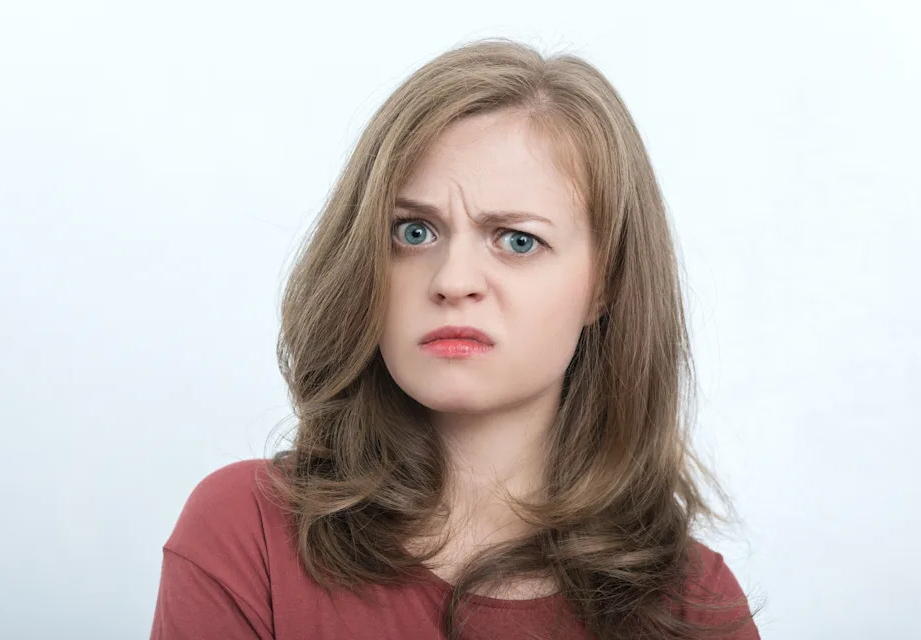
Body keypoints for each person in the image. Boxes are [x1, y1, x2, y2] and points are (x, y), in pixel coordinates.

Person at [150, 37, 764, 639]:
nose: (453, 281)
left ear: (605, 285)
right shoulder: (247, 532)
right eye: (414, 233)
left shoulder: (693, 604)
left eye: (517, 240)